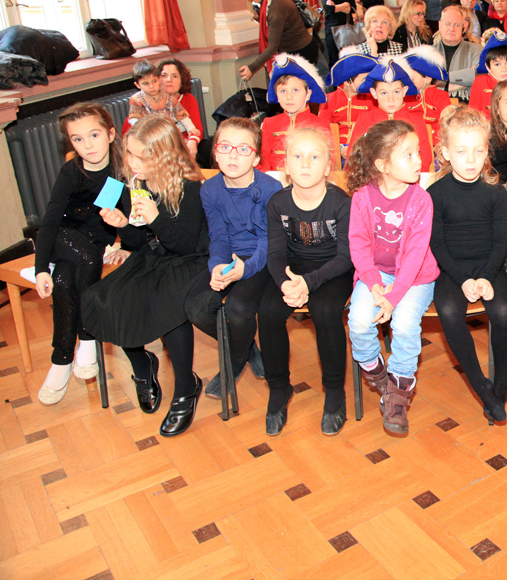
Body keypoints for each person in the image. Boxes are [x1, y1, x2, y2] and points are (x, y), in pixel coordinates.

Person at [81, 117, 208, 437]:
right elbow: (139, 243)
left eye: (141, 157)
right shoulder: (128, 183)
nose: (133, 163)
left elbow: (184, 245)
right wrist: (122, 224)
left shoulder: (190, 186)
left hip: (191, 259)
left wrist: (155, 217)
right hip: (153, 256)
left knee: (168, 306)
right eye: (129, 154)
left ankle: (186, 387)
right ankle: (142, 365)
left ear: (165, 157)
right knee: (104, 298)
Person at [258, 127, 353, 436]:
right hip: (294, 269)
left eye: (314, 157)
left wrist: (308, 283)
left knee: (325, 311)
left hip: (333, 270)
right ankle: (279, 388)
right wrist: (285, 284)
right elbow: (275, 254)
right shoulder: (278, 203)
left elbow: (346, 257)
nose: (305, 164)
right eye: (297, 156)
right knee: (268, 312)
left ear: (327, 167)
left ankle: (334, 391)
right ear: (285, 165)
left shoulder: (341, 203)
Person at [347, 119, 439, 435]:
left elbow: (414, 255)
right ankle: (380, 377)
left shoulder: (421, 200)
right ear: (383, 165)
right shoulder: (362, 197)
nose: (419, 160)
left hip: (415, 279)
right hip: (375, 276)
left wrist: (393, 298)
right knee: (359, 323)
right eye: (408, 155)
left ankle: (398, 394)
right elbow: (359, 245)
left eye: (418, 152)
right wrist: (373, 284)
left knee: (404, 324)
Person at [429, 106, 507, 422]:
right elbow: (437, 245)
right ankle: (481, 386)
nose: (470, 160)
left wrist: (487, 277)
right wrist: (464, 279)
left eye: (478, 151)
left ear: (486, 151)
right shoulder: (435, 193)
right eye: (461, 151)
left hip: (489, 266)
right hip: (452, 270)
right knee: (450, 313)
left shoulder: (495, 193)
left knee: (503, 313)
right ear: (446, 153)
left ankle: (500, 389)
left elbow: (500, 243)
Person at [34, 104, 123, 405]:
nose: (88, 145)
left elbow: (126, 214)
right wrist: (40, 269)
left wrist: (124, 245)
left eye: (94, 135)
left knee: (64, 280)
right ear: (70, 143)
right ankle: (87, 337)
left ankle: (61, 360)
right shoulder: (71, 172)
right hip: (62, 237)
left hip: (94, 243)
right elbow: (49, 222)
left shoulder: (120, 170)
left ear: (110, 134)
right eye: (78, 139)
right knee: (86, 257)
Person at [184, 118, 279, 399]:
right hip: (229, 255)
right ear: (214, 152)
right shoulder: (209, 189)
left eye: (243, 149)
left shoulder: (271, 189)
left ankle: (235, 361)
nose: (233, 156)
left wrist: (245, 269)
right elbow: (219, 236)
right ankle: (246, 347)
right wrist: (218, 266)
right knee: (197, 307)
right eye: (225, 147)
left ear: (257, 158)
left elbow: (269, 241)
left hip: (262, 258)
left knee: (238, 309)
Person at [350, 60, 433, 172]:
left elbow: (425, 159)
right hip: (373, 178)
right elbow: (354, 158)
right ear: (374, 93)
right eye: (384, 93)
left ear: (404, 91)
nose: (391, 99)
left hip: (408, 178)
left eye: (396, 92)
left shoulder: (417, 121)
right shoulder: (364, 120)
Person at [240, 0, 319, 78]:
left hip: (301, 52)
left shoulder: (274, 9)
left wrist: (252, 68)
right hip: (299, 49)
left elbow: (272, 47)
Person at [258, 54, 331, 172]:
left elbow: (328, 163)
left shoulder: (321, 124)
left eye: (295, 90)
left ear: (308, 94)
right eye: (283, 91)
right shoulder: (269, 123)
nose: (289, 97)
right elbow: (263, 163)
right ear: (277, 95)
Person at [125, 62, 199, 157]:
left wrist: (191, 128)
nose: (151, 86)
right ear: (137, 85)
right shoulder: (137, 99)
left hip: (170, 134)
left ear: (159, 79)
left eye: (154, 81)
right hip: (150, 137)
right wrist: (143, 131)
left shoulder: (169, 96)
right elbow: (133, 119)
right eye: (146, 83)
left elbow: (182, 115)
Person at [321, 48, 377, 155]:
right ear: (347, 81)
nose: (368, 83)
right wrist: (338, 148)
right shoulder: (329, 99)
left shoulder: (372, 99)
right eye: (363, 80)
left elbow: (373, 128)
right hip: (335, 151)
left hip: (363, 149)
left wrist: (355, 147)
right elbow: (323, 129)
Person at [435, 5, 483, 103]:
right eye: (447, 24)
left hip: (467, 106)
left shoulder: (476, 50)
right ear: (439, 25)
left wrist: (441, 79)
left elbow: (478, 75)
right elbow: (425, 84)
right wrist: (464, 81)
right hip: (435, 106)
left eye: (456, 24)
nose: (451, 28)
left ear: (463, 27)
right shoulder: (429, 53)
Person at [317, 0, 359, 66]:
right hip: (332, 28)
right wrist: (345, 5)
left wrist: (336, 6)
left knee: (348, 57)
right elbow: (328, 9)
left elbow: (352, 8)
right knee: (334, 58)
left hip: (347, 26)